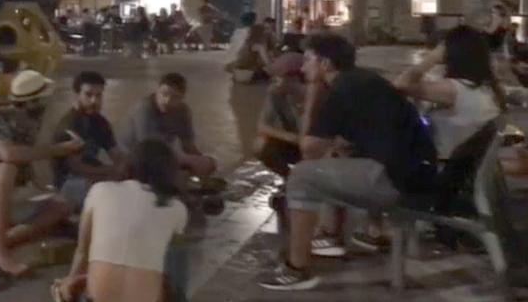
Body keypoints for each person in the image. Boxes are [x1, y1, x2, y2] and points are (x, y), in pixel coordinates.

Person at [258, 34, 437, 291]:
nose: (304, 67)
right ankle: (331, 235)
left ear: (326, 64)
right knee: (334, 158)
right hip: (416, 172)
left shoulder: (340, 89)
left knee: (302, 176)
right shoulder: (363, 80)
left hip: (398, 181)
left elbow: (308, 148)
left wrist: (312, 95)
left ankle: (296, 268)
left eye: (309, 60)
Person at [0, 69, 83, 276]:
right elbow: (7, 154)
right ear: (33, 101)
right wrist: (59, 149)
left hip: (13, 192)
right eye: (43, 99)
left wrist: (42, 189)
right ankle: (0, 254)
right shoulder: (1, 117)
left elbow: (27, 162)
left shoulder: (34, 122)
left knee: (62, 204)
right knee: (7, 167)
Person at [51, 140, 188, 302]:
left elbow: (82, 251)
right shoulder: (177, 208)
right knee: (175, 254)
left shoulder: (100, 190)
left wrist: (69, 284)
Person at [394, 26, 504, 159]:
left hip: (444, 165)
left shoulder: (454, 90)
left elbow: (400, 85)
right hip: (468, 166)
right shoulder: (489, 89)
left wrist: (432, 58)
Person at [52, 71, 128, 211]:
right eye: (88, 95)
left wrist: (124, 166)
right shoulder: (69, 125)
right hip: (69, 181)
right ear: (76, 95)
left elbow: (115, 153)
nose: (94, 100)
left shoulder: (100, 122)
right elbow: (76, 167)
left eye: (98, 95)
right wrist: (111, 171)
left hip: (96, 175)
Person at [122, 73, 217, 179]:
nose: (167, 101)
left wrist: (201, 160)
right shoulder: (144, 108)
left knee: (209, 163)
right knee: (178, 173)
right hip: (138, 158)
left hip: (164, 155)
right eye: (164, 94)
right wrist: (187, 160)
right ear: (157, 91)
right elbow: (149, 149)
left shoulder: (183, 111)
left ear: (182, 98)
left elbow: (188, 145)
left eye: (175, 97)